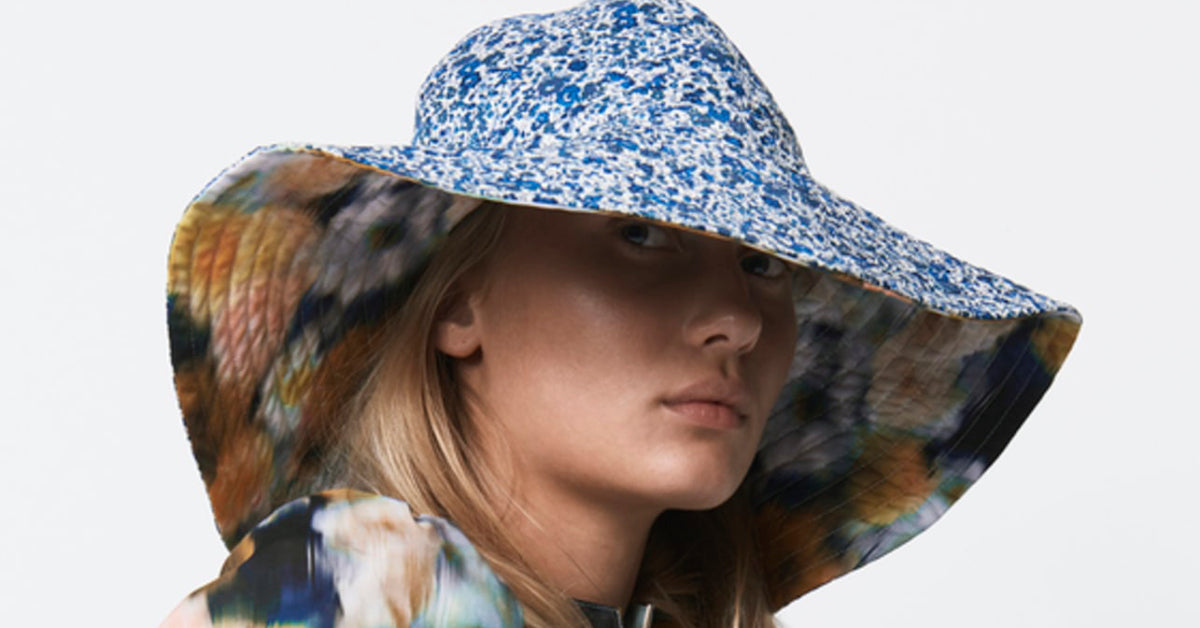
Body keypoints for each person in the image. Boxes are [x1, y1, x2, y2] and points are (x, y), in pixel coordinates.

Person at [160, 1, 1081, 626]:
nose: (739, 320)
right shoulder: (361, 583)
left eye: (763, 263)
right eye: (641, 235)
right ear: (459, 303)